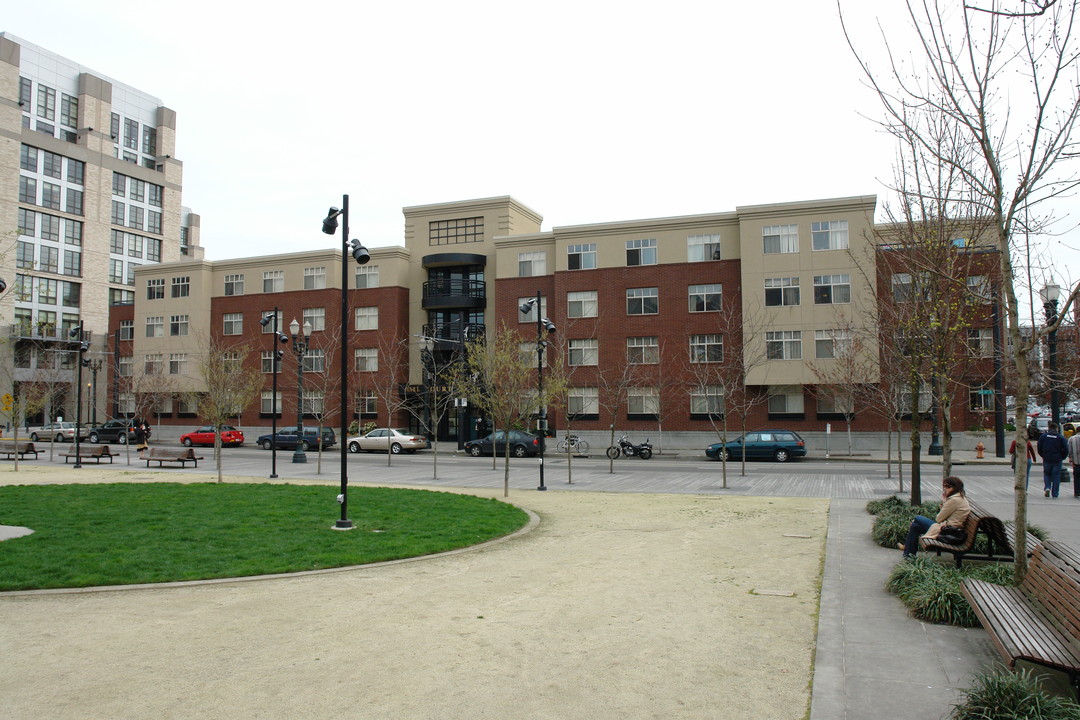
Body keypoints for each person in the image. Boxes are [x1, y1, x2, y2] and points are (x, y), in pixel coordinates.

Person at [898, 476, 971, 559]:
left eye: (948, 487)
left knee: (917, 518)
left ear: (956, 487)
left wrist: (944, 502)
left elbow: (938, 519)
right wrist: (945, 502)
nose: (945, 489)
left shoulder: (954, 500)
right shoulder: (959, 497)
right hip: (949, 529)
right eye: (944, 486)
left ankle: (907, 549)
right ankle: (908, 554)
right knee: (915, 526)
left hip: (947, 531)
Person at [1037, 421, 1069, 498]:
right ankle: (1055, 494)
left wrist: (1043, 455)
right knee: (1056, 476)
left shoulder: (1043, 436)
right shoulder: (1060, 437)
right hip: (1057, 459)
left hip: (1047, 458)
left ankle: (1047, 487)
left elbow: (1039, 447)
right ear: (1056, 429)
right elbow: (1066, 449)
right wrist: (1062, 457)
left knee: (1047, 474)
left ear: (1049, 428)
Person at [1069, 428, 1080, 498]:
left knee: (1076, 478)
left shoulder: (1071, 439)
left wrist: (1071, 460)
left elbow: (1069, 451)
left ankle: (1077, 492)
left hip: (1076, 462)